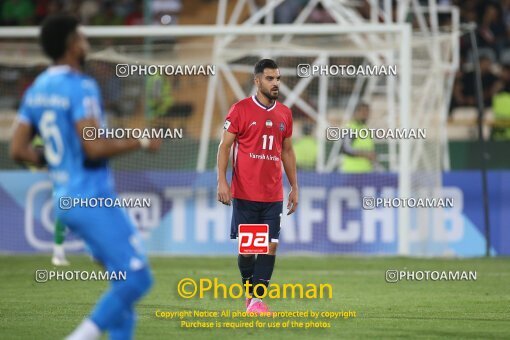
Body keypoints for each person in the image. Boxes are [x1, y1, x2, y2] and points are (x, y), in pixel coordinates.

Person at [9, 15, 161, 339]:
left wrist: (55, 162)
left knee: (122, 283)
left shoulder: (38, 89)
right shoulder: (81, 87)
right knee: (137, 279)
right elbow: (94, 148)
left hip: (65, 197)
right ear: (71, 44)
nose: (86, 43)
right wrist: (141, 140)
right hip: (92, 196)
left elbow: (18, 149)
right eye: (82, 37)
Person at [217, 59, 299, 314]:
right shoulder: (240, 110)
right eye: (270, 79)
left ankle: (257, 301)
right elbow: (225, 146)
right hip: (245, 192)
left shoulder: (285, 113)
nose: (275, 83)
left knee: (270, 244)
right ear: (257, 81)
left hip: (273, 193)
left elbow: (287, 151)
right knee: (248, 250)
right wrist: (222, 180)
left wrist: (295, 186)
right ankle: (250, 294)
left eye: (277, 79)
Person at [340, 102, 376, 173]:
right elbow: (345, 149)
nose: (365, 115)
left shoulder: (366, 129)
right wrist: (366, 154)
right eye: (363, 112)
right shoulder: (351, 128)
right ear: (355, 113)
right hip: (351, 172)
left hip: (366, 172)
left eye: (367, 112)